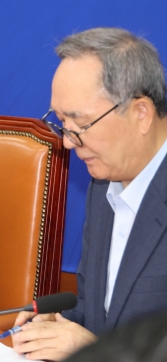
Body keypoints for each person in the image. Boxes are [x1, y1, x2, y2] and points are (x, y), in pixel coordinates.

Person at [12, 28, 167, 360]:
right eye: (60, 122)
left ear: (140, 113)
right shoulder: (103, 185)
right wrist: (61, 323)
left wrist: (95, 350)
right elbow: (102, 314)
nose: (68, 142)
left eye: (79, 124)